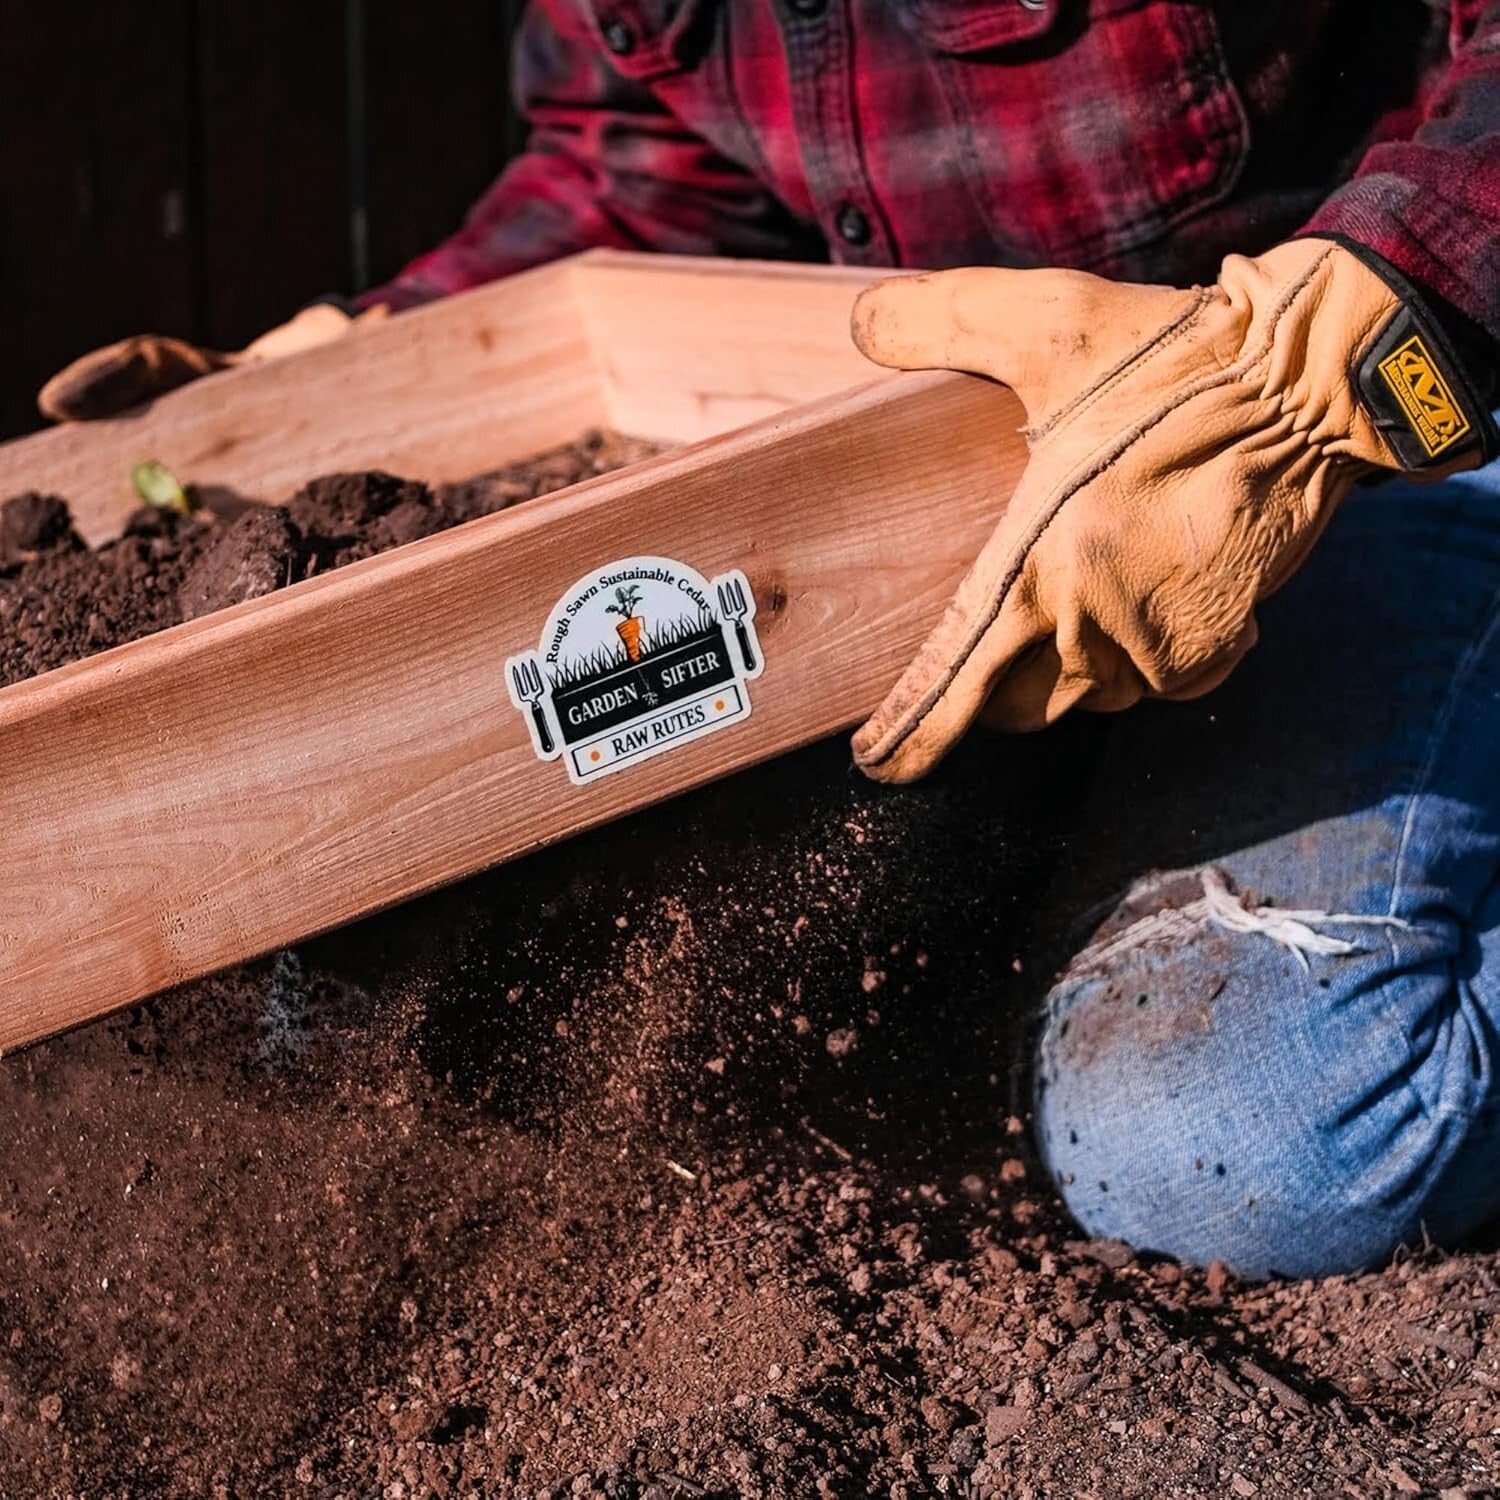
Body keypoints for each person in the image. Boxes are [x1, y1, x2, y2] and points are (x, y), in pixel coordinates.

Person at [40, 1, 1500, 1279]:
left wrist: (1325, 358)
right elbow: (642, 172)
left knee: (1246, 1130)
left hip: (1405, 403)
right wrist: (378, 358)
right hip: (995, 484)